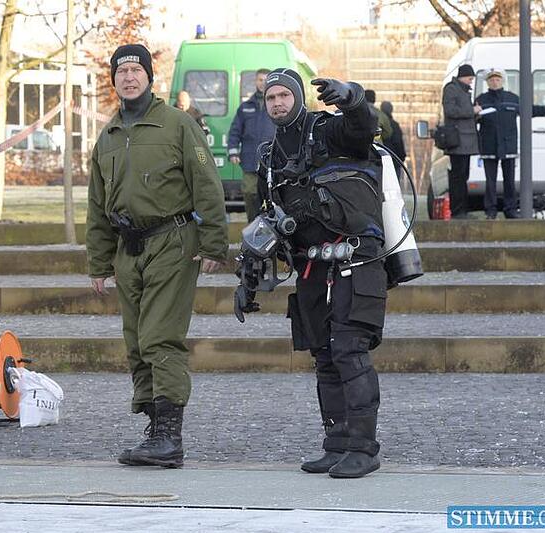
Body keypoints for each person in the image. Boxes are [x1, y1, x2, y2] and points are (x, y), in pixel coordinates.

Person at [86, 44, 228, 469]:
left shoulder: (177, 124)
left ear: (150, 76)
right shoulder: (108, 137)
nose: (129, 77)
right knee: (136, 341)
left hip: (173, 241)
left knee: (159, 337)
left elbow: (207, 184)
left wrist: (213, 242)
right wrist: (98, 260)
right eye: (122, 71)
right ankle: (154, 427)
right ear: (114, 80)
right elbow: (98, 205)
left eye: (136, 69)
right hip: (128, 248)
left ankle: (170, 436)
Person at [255, 69, 385, 478]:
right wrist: (251, 269)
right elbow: (267, 217)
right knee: (324, 354)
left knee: (349, 349)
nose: (277, 102)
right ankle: (338, 444)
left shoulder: (327, 131)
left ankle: (364, 449)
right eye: (270, 97)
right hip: (311, 263)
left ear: (298, 97)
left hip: (356, 256)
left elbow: (363, 130)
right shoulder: (269, 157)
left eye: (284, 95)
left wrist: (352, 98)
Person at [475, 68, 545, 219]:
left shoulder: (512, 98)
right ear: (487, 82)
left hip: (508, 145)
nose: (494, 82)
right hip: (489, 145)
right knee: (490, 182)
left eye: (497, 79)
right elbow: (470, 118)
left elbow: (529, 110)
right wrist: (474, 115)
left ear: (502, 81)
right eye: (491, 80)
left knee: (509, 181)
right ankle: (490, 211)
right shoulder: (481, 100)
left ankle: (510, 210)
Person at [228, 68, 275, 222]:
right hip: (250, 162)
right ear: (255, 81)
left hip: (272, 162)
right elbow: (235, 131)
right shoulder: (245, 107)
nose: (263, 83)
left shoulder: (276, 105)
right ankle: (252, 226)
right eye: (260, 80)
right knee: (250, 194)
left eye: (266, 80)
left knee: (273, 196)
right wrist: (233, 152)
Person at [442, 64, 481, 219]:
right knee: (458, 176)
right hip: (458, 141)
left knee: (463, 176)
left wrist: (477, 114)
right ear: (463, 77)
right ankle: (458, 211)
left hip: (465, 141)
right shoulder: (451, 89)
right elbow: (450, 111)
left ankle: (462, 210)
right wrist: (472, 111)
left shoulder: (464, 91)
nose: (471, 82)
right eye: (470, 78)